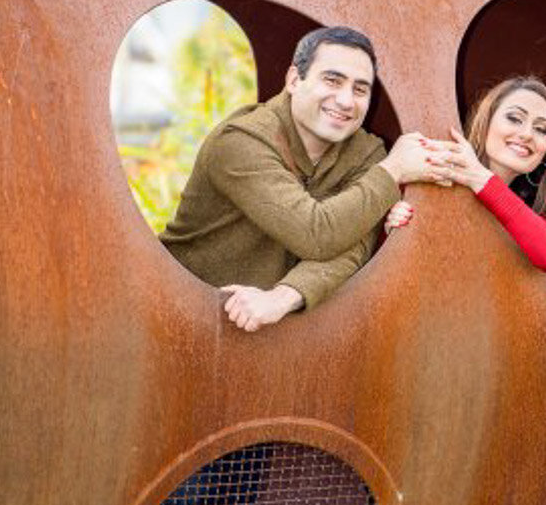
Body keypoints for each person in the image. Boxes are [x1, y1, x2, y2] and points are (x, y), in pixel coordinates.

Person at [160, 24, 444, 331]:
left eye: (360, 89)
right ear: (295, 80)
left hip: (279, 334)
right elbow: (316, 234)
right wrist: (394, 170)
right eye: (332, 81)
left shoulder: (366, 152)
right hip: (181, 315)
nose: (347, 101)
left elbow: (353, 245)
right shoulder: (240, 141)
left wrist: (283, 297)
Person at [386, 76, 546, 270]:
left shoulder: (534, 211)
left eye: (541, 129)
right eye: (514, 118)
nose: (527, 134)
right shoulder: (436, 174)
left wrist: (482, 180)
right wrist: (395, 234)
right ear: (485, 121)